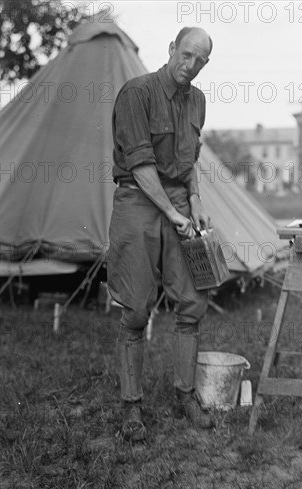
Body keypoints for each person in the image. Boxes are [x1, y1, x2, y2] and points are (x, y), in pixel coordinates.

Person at [107, 27, 214, 441]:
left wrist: (196, 198)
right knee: (135, 309)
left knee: (192, 302)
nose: (191, 66)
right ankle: (132, 407)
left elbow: (191, 158)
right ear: (171, 49)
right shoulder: (137, 93)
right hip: (139, 201)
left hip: (179, 205)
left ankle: (185, 395)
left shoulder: (198, 101)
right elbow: (140, 165)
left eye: (201, 60)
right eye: (186, 55)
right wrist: (171, 212)